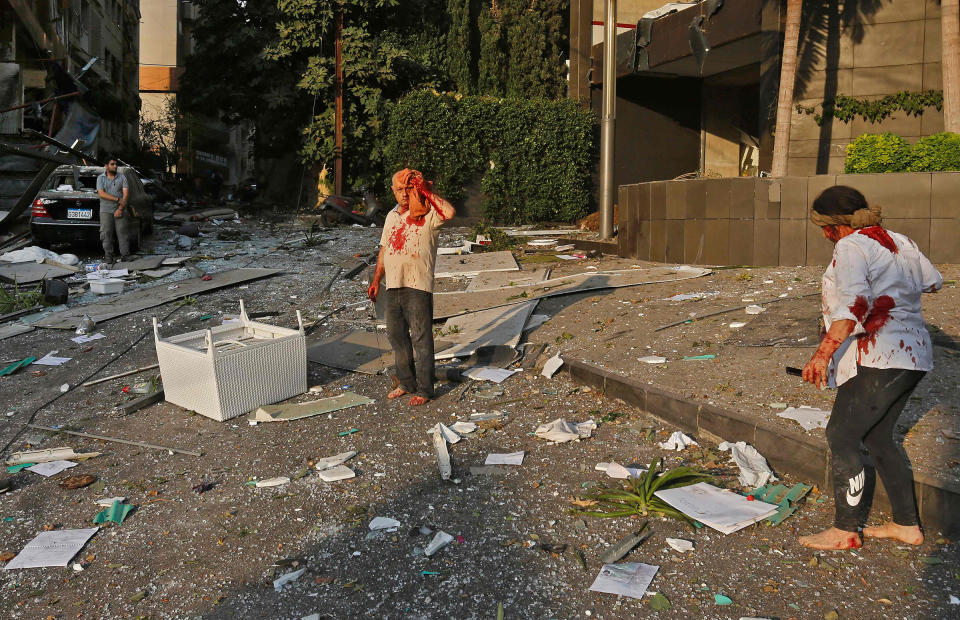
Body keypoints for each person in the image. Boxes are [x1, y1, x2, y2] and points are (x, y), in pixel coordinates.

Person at [799, 186, 942, 551]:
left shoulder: (850, 246)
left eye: (822, 226)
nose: (822, 235)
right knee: (878, 439)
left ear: (833, 226)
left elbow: (853, 305)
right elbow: (932, 280)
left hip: (879, 354)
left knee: (842, 435)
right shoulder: (900, 240)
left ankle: (845, 529)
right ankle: (907, 525)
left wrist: (822, 354)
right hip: (915, 354)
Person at [367, 169, 456, 406]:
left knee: (421, 337)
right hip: (393, 285)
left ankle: (425, 390)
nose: (404, 194)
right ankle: (407, 383)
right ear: (393, 191)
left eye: (409, 188)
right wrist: (376, 280)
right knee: (397, 337)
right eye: (399, 189)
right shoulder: (391, 216)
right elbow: (384, 249)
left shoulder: (428, 214)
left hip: (418, 286)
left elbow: (449, 212)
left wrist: (426, 191)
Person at [95, 157, 131, 262]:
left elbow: (126, 195)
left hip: (121, 209)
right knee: (106, 233)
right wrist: (117, 199)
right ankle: (109, 256)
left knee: (122, 232)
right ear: (106, 166)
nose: (115, 166)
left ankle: (125, 255)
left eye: (116, 164)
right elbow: (101, 193)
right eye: (112, 164)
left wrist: (120, 208)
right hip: (105, 210)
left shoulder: (122, 177)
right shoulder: (100, 178)